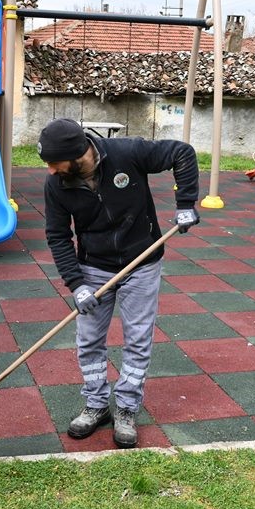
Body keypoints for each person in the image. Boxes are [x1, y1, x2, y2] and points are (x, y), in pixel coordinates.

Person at [37, 119, 200, 449]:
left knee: (138, 339)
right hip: (94, 267)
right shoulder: (56, 185)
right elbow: (57, 235)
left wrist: (186, 203)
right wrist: (77, 284)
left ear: (76, 153)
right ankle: (96, 405)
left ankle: (126, 408)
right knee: (88, 340)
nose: (51, 170)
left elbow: (182, 153)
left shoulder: (128, 152)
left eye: (55, 162)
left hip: (142, 262)